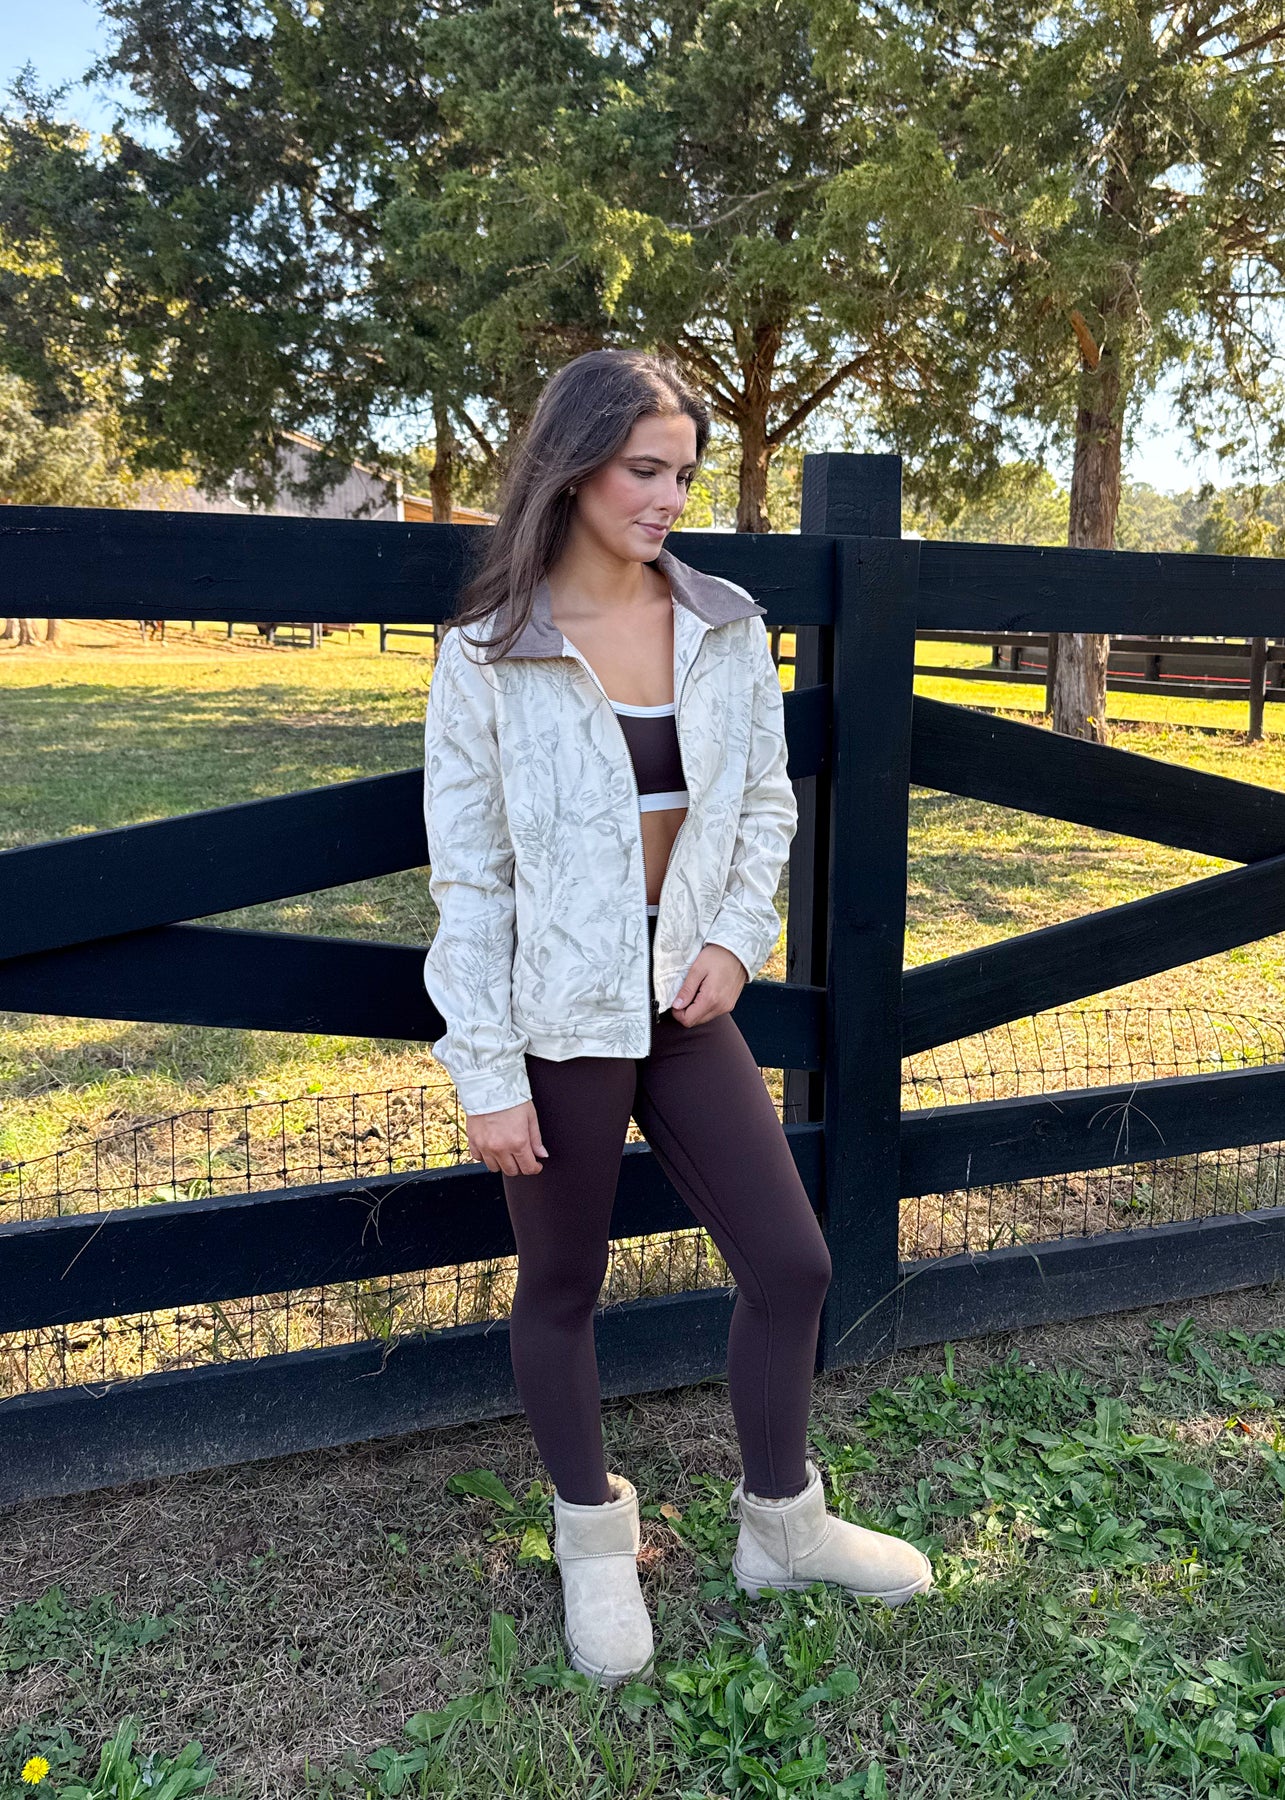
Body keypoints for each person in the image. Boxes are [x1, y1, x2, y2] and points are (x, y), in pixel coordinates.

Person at [422, 349, 932, 1689]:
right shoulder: (488, 655)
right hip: (558, 1017)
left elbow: (762, 803)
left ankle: (782, 1527)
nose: (668, 498)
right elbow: (470, 879)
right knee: (563, 1286)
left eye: (683, 475)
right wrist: (487, 1071)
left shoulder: (722, 624)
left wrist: (729, 940)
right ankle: (593, 1543)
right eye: (644, 470)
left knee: (793, 1263)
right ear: (572, 467)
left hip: (685, 1004)